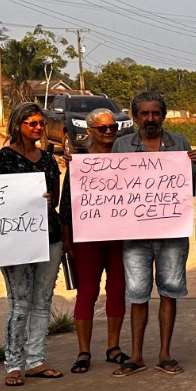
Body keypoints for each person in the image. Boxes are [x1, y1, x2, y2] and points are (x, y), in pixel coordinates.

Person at [111, 92, 196, 377]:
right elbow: (110, 186)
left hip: (172, 233)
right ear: (135, 117)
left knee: (169, 291)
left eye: (155, 113)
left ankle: (165, 354)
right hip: (135, 234)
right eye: (144, 113)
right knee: (137, 294)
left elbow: (191, 187)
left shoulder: (180, 143)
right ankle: (137, 355)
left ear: (163, 116)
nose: (150, 118)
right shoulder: (121, 146)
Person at [0, 103, 64, 386]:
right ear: (17, 125)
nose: (37, 128)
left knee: (43, 300)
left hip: (49, 235)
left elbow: (54, 198)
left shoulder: (48, 159)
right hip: (15, 239)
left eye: (40, 123)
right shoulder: (2, 159)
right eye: (31, 123)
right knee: (19, 302)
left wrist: (46, 201)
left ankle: (36, 360)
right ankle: (13, 364)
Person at [59, 108, 128, 373]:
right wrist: (67, 240)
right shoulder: (79, 162)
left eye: (112, 127)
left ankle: (113, 347)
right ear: (89, 131)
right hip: (87, 238)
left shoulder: (128, 159)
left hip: (120, 236)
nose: (108, 132)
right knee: (87, 293)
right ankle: (83, 351)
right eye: (102, 128)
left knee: (117, 290)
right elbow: (67, 204)